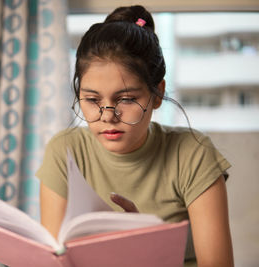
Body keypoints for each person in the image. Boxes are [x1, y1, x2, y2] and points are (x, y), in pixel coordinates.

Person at [36, 5, 234, 267]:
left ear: (157, 94)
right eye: (92, 99)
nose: (108, 116)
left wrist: (144, 251)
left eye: (126, 98)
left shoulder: (193, 153)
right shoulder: (65, 151)